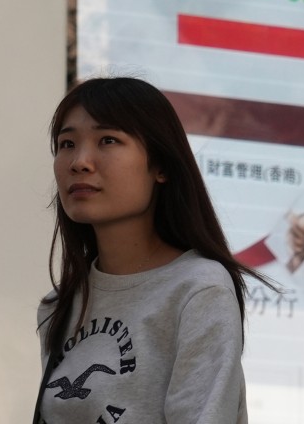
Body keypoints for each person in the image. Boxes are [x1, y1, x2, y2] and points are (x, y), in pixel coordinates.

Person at [35, 77, 276, 424]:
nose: (80, 161)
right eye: (67, 143)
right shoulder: (56, 307)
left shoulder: (198, 290)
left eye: (108, 140)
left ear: (160, 166)